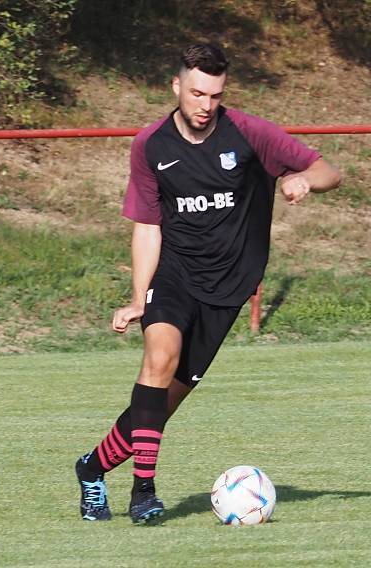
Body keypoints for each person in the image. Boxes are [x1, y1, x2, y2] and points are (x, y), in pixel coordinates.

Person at [75, 43, 341, 524]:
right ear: (176, 86)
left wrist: (303, 181)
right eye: (197, 93)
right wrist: (139, 298)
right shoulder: (151, 146)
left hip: (229, 289)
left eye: (215, 95)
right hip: (174, 274)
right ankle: (144, 494)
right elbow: (148, 225)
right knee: (158, 359)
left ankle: (91, 469)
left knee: (157, 407)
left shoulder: (250, 133)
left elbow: (328, 170)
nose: (205, 104)